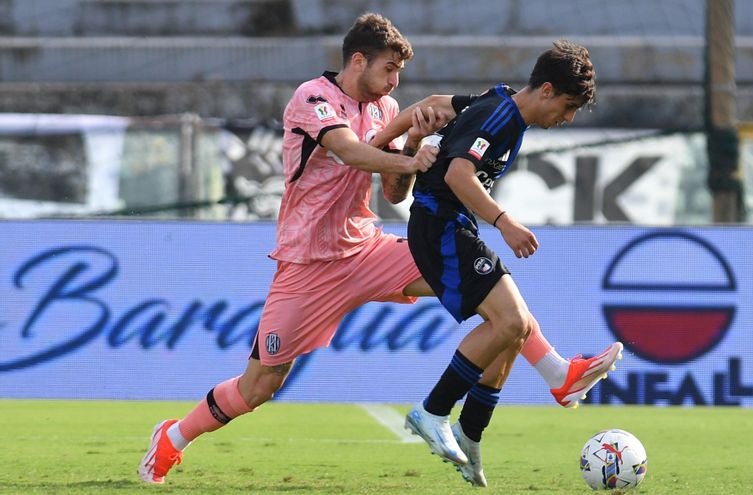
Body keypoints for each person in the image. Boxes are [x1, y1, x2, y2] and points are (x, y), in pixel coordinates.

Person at [137, 14, 608, 485]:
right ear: (358, 61)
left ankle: (555, 375)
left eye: (398, 73)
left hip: (368, 251)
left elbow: (395, 193)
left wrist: (416, 141)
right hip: (308, 264)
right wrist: (408, 153)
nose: (393, 82)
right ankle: (173, 438)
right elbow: (349, 152)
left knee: (492, 292)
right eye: (387, 69)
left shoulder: (386, 110)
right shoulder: (313, 98)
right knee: (261, 384)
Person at [403, 40, 624, 487]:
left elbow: (432, 104)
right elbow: (456, 174)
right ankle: (432, 411)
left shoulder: (498, 103)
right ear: (545, 90)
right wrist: (505, 222)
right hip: (439, 226)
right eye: (568, 106)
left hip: (452, 226)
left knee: (517, 325)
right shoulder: (499, 115)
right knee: (508, 322)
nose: (567, 118)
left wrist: (389, 139)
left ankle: (472, 429)